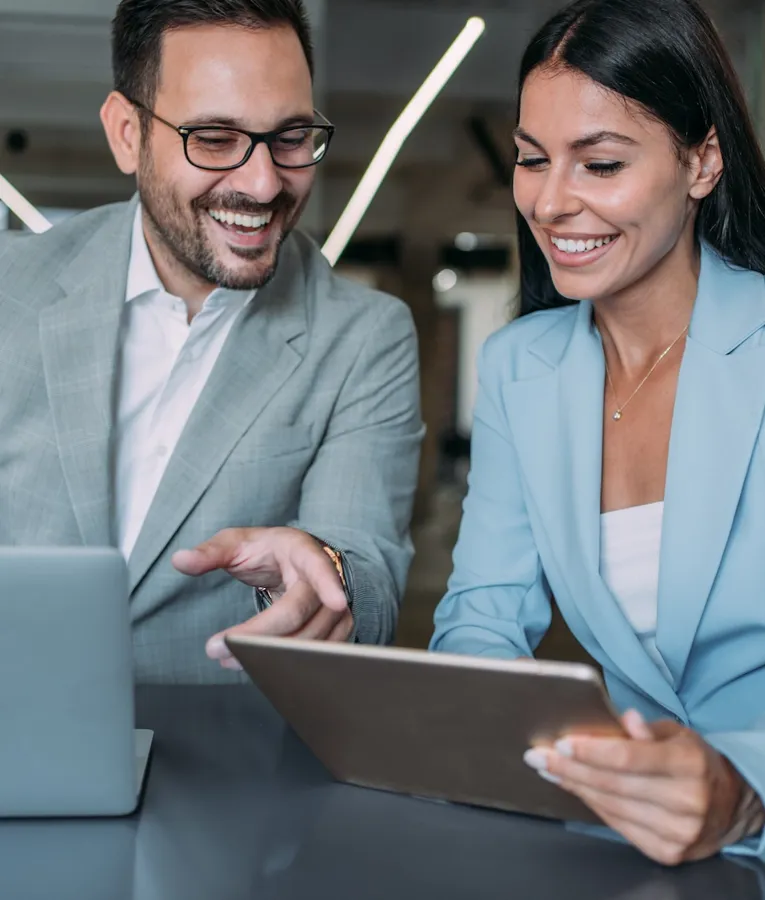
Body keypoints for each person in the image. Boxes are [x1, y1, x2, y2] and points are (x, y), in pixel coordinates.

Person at [431, 0, 765, 867]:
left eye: (601, 163)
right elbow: (482, 614)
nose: (549, 202)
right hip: (608, 840)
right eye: (531, 161)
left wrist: (742, 788)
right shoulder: (518, 367)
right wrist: (468, 724)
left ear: (702, 162)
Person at [0, 0, 423, 682]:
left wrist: (322, 578)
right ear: (127, 134)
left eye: (290, 137)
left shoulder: (364, 336)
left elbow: (369, 580)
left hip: (233, 760)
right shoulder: (8, 290)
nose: (261, 183)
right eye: (215, 138)